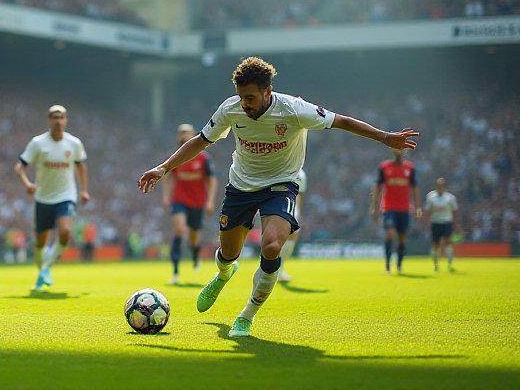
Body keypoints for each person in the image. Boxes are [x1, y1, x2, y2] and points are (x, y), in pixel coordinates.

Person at [138, 57, 418, 338]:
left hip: (280, 185)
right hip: (240, 187)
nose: (244, 103)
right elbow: (201, 139)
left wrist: (384, 137)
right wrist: (164, 167)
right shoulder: (230, 109)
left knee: (271, 247)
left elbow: (340, 121)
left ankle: (246, 316)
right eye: (241, 96)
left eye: (250, 97)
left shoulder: (294, 109)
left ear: (267, 92)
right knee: (229, 253)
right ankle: (224, 273)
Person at [15, 105, 90, 290]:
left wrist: (84, 190)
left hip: (66, 196)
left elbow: (81, 166)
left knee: (65, 233)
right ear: (49, 121)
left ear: (66, 120)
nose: (58, 121)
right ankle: (43, 270)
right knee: (41, 241)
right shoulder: (38, 143)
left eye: (61, 117)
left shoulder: (74, 143)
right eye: (54, 117)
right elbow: (19, 167)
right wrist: (27, 184)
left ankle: (47, 267)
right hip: (43, 198)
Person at [162, 123, 217, 284]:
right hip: (179, 200)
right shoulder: (175, 157)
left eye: (186, 132)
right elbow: (168, 178)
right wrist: (166, 197)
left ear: (194, 135)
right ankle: (175, 272)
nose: (183, 135)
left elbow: (211, 180)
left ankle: (195, 253)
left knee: (194, 238)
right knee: (179, 230)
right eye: (180, 133)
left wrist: (210, 201)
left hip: (197, 202)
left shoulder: (204, 158)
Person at [370, 149, 422, 274]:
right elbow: (377, 187)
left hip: (404, 208)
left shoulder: (410, 168)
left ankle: (399, 264)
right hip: (389, 208)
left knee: (401, 239)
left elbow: (414, 189)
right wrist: (374, 206)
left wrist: (418, 207)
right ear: (393, 152)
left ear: (404, 153)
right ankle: (387, 264)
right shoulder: (385, 167)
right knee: (390, 234)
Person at [423, 178, 460, 272]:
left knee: (448, 242)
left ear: (444, 186)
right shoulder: (430, 196)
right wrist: (427, 221)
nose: (440, 187)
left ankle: (450, 263)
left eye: (442, 185)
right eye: (438, 185)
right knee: (435, 244)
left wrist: (456, 223)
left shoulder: (450, 198)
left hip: (447, 222)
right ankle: (435, 264)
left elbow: (455, 210)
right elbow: (427, 210)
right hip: (435, 222)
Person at [277, 168, 307, 283]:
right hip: (281, 203)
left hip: (293, 206)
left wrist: (298, 212)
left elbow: (300, 195)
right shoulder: (282, 168)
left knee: (293, 234)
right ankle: (275, 268)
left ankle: (280, 268)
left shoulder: (301, 174)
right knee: (286, 234)